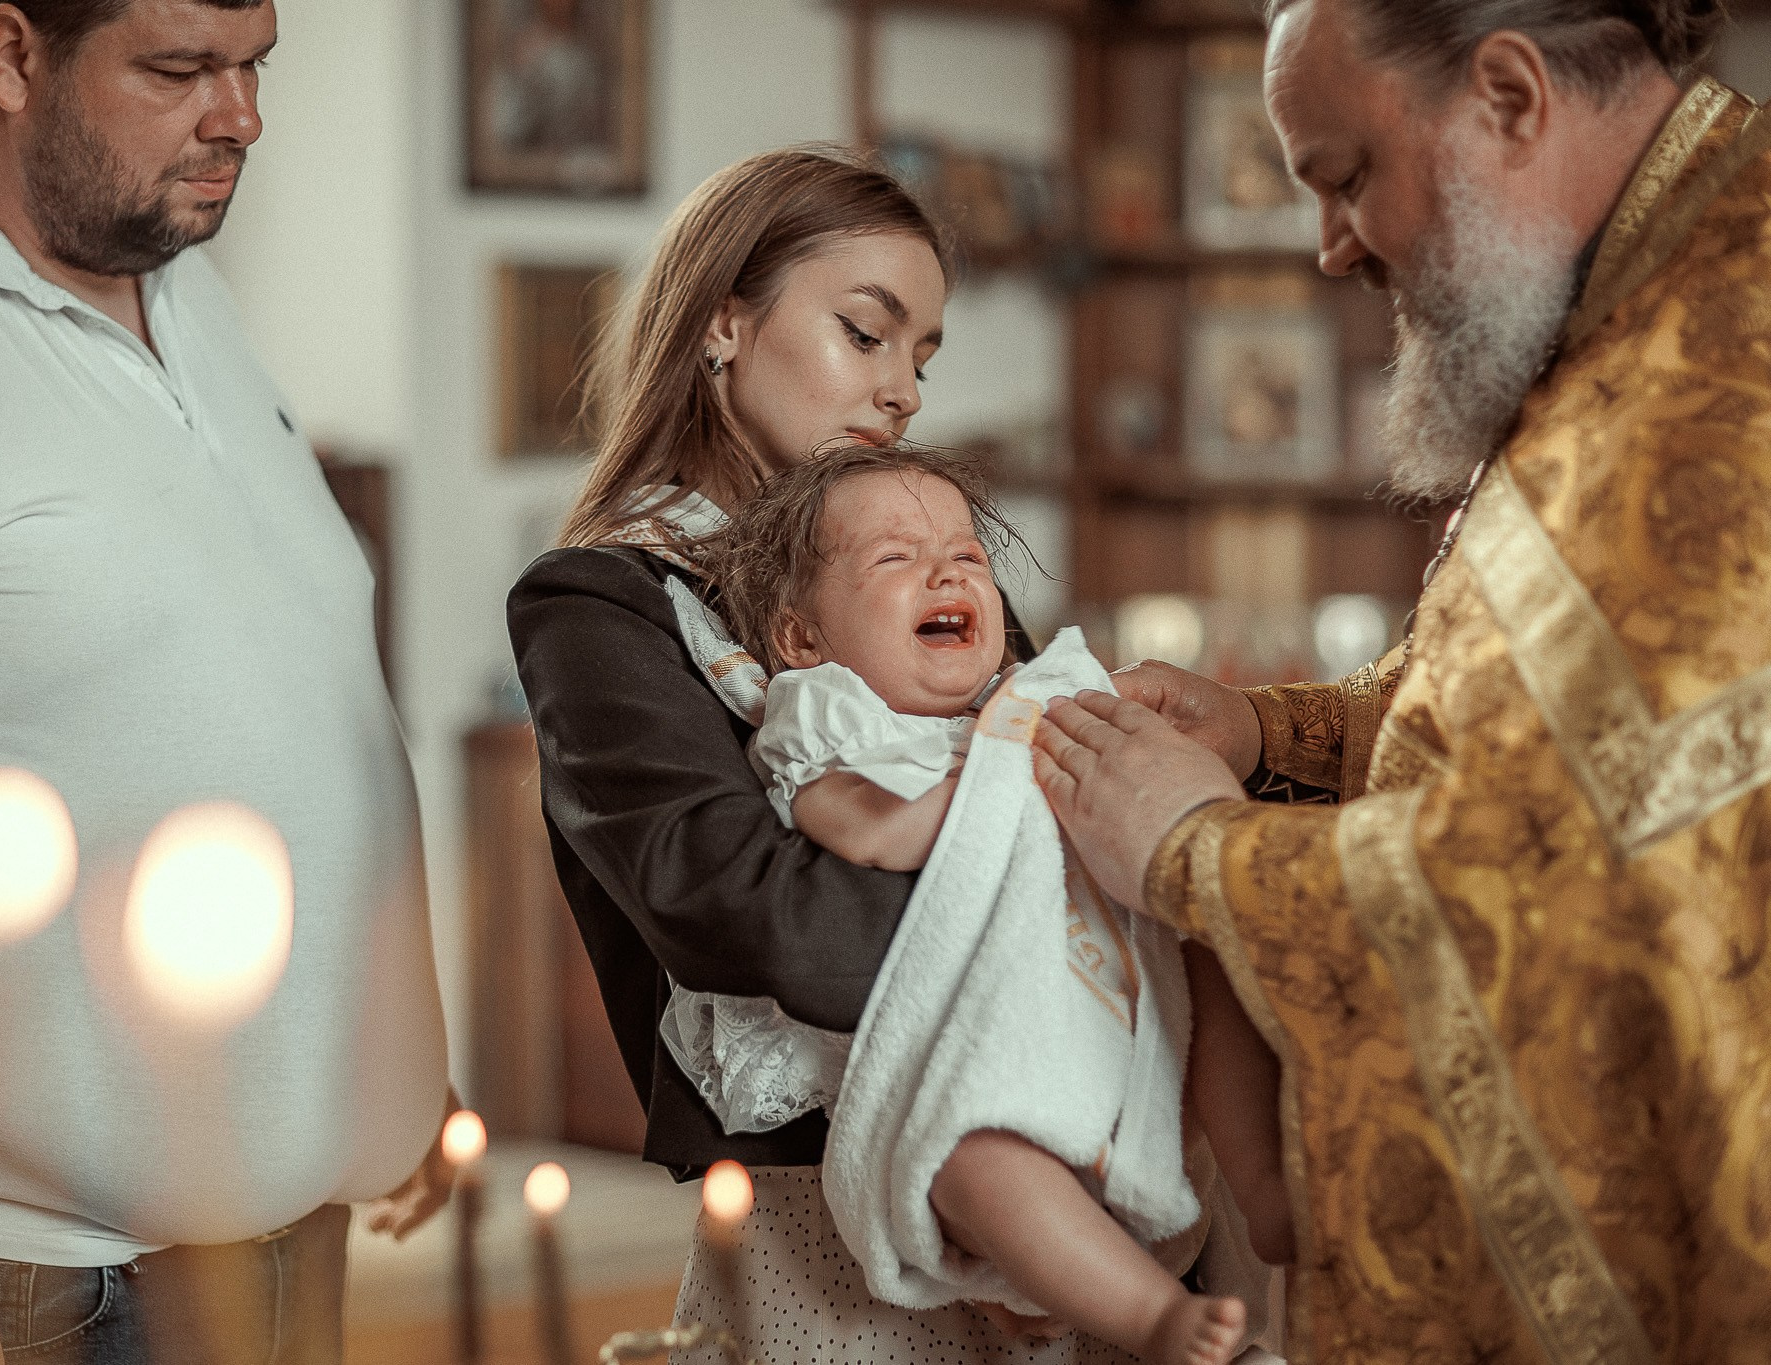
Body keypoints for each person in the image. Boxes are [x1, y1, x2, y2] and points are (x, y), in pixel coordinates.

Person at [1031, 0, 1771, 1360]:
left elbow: (1589, 900)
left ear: (1507, 96)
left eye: (1346, 176)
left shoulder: (1714, 385)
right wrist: (1271, 728)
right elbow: (1538, 720)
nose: (1329, 248)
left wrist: (1199, 855)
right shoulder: (1646, 295)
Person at [0, 2, 450, 1361]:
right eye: (181, 71)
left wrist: (389, 1081)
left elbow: (268, 697)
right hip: (47, 1285)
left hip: (288, 1234)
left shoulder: (178, 284)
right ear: (11, 56)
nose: (241, 116)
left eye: (256, 66)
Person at [509, 146, 1269, 1364]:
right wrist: (1024, 961)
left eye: (922, 354)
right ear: (721, 325)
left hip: (1086, 1117)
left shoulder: (917, 554)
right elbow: (747, 916)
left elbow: (1051, 794)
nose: (903, 389)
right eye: (866, 335)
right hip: (830, 1192)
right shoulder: (605, 602)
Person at [668, 443, 1266, 1365]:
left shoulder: (1018, 704)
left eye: (967, 556)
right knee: (977, 1162)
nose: (946, 569)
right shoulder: (831, 722)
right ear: (801, 638)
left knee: (1214, 949)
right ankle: (1154, 1317)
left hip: (1098, 1004)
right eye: (895, 558)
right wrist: (989, 770)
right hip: (967, 1055)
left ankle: (1273, 1192)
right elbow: (869, 834)